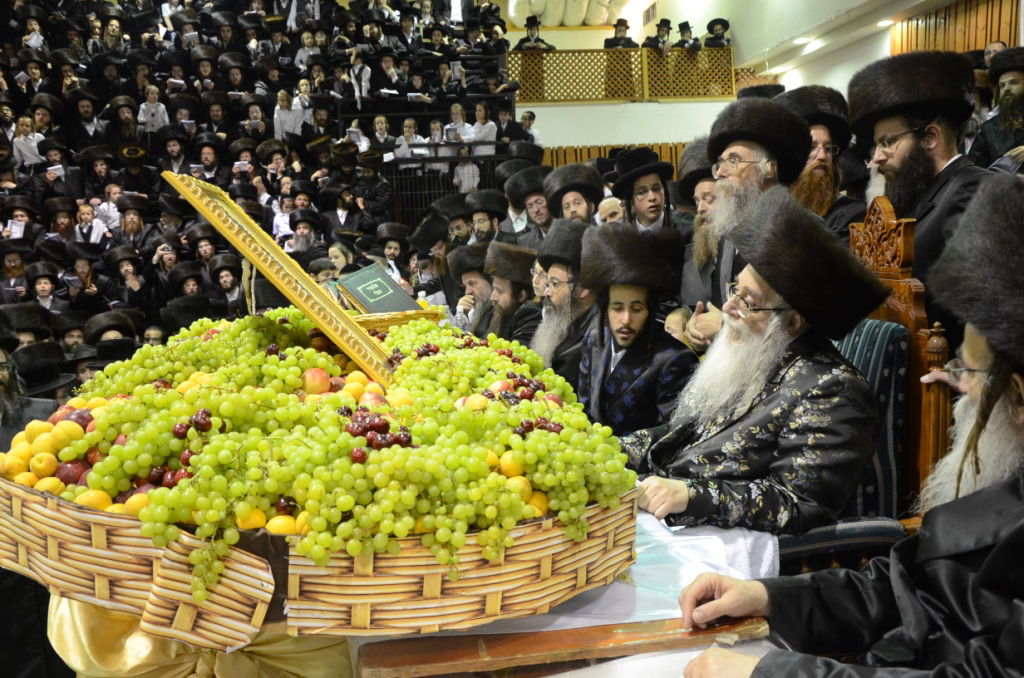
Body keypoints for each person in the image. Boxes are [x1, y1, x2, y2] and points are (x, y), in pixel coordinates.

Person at [676, 173, 1024, 678]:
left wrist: (767, 674)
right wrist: (767, 596)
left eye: (965, 371)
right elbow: (905, 585)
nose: (951, 386)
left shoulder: (831, 387)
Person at [628, 186, 886, 533]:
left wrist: (690, 496)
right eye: (735, 289)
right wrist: (610, 452)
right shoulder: (753, 355)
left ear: (793, 320)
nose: (729, 307)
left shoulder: (834, 390)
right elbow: (682, 433)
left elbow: (798, 504)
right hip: (668, 520)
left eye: (747, 300)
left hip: (732, 554)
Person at [849, 50, 991, 348]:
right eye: (876, 145)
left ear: (930, 137)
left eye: (887, 142)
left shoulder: (978, 191)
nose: (876, 158)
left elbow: (990, 309)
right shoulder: (914, 194)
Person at [682, 97, 810, 354]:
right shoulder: (729, 233)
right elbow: (719, 308)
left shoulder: (799, 234)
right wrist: (695, 326)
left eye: (734, 160)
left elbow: (799, 324)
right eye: (720, 163)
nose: (721, 172)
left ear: (769, 169)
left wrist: (725, 323)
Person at [577, 223, 697, 436]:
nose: (626, 319)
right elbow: (583, 406)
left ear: (650, 311)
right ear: (605, 309)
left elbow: (673, 434)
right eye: (617, 307)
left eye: (636, 308)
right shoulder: (594, 340)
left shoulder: (674, 360)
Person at [774, 85, 865, 241]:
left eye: (828, 148)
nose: (822, 156)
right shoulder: (773, 209)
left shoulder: (850, 214)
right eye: (811, 147)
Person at [530, 219, 597, 393]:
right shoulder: (568, 321)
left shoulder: (593, 339)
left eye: (555, 284)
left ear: (583, 289)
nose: (547, 292)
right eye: (548, 283)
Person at [611, 147, 689, 235]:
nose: (652, 197)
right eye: (642, 192)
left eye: (656, 189)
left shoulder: (686, 231)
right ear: (630, 199)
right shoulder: (618, 237)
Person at [968, 47, 1024, 169]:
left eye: (1014, 82)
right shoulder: (989, 129)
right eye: (1002, 85)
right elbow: (974, 172)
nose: (1007, 89)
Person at [483, 241, 542, 345]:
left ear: (521, 296)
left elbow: (514, 354)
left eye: (499, 291)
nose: (492, 297)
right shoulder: (503, 310)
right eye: (494, 289)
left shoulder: (529, 315)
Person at [448, 242, 493, 337]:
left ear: (490, 280)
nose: (467, 292)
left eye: (472, 283)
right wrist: (461, 315)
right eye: (465, 286)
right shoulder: (480, 307)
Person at [505, 165, 553, 249]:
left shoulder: (571, 232)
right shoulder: (524, 242)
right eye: (530, 206)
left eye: (539, 202)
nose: (536, 210)